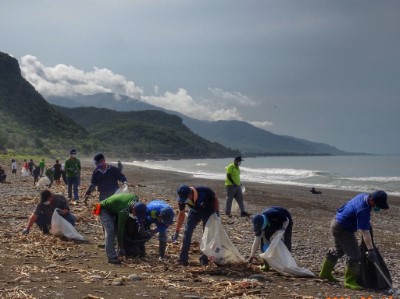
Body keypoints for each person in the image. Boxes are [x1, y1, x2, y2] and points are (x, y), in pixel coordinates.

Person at [319, 190, 389, 290]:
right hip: (343, 228)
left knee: (339, 250)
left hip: (336, 221)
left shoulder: (364, 196)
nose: (377, 207)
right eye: (377, 205)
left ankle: (325, 274)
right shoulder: (363, 209)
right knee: (355, 255)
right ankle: (349, 281)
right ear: (372, 200)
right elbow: (365, 232)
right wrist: (371, 250)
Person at [172, 185, 220, 266]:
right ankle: (183, 258)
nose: (184, 201)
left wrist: (217, 212)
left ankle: (204, 259)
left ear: (190, 194)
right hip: (194, 212)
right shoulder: (182, 200)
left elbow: (215, 199)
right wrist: (177, 231)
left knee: (207, 235)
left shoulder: (204, 191)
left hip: (208, 212)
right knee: (187, 233)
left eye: (186, 198)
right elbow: (181, 214)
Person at [94, 193, 142, 264]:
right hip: (104, 209)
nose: (135, 215)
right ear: (134, 209)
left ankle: (116, 248)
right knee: (110, 231)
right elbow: (120, 229)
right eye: (136, 213)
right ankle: (111, 257)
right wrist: (122, 247)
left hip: (115, 210)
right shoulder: (124, 210)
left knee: (122, 226)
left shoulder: (135, 199)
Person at [247, 207, 293, 271]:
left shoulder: (274, 214)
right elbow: (256, 241)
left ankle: (287, 262)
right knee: (264, 240)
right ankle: (266, 263)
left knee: (286, 239)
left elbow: (286, 220)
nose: (260, 230)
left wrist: (283, 229)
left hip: (285, 219)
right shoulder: (257, 224)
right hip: (269, 224)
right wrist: (251, 256)